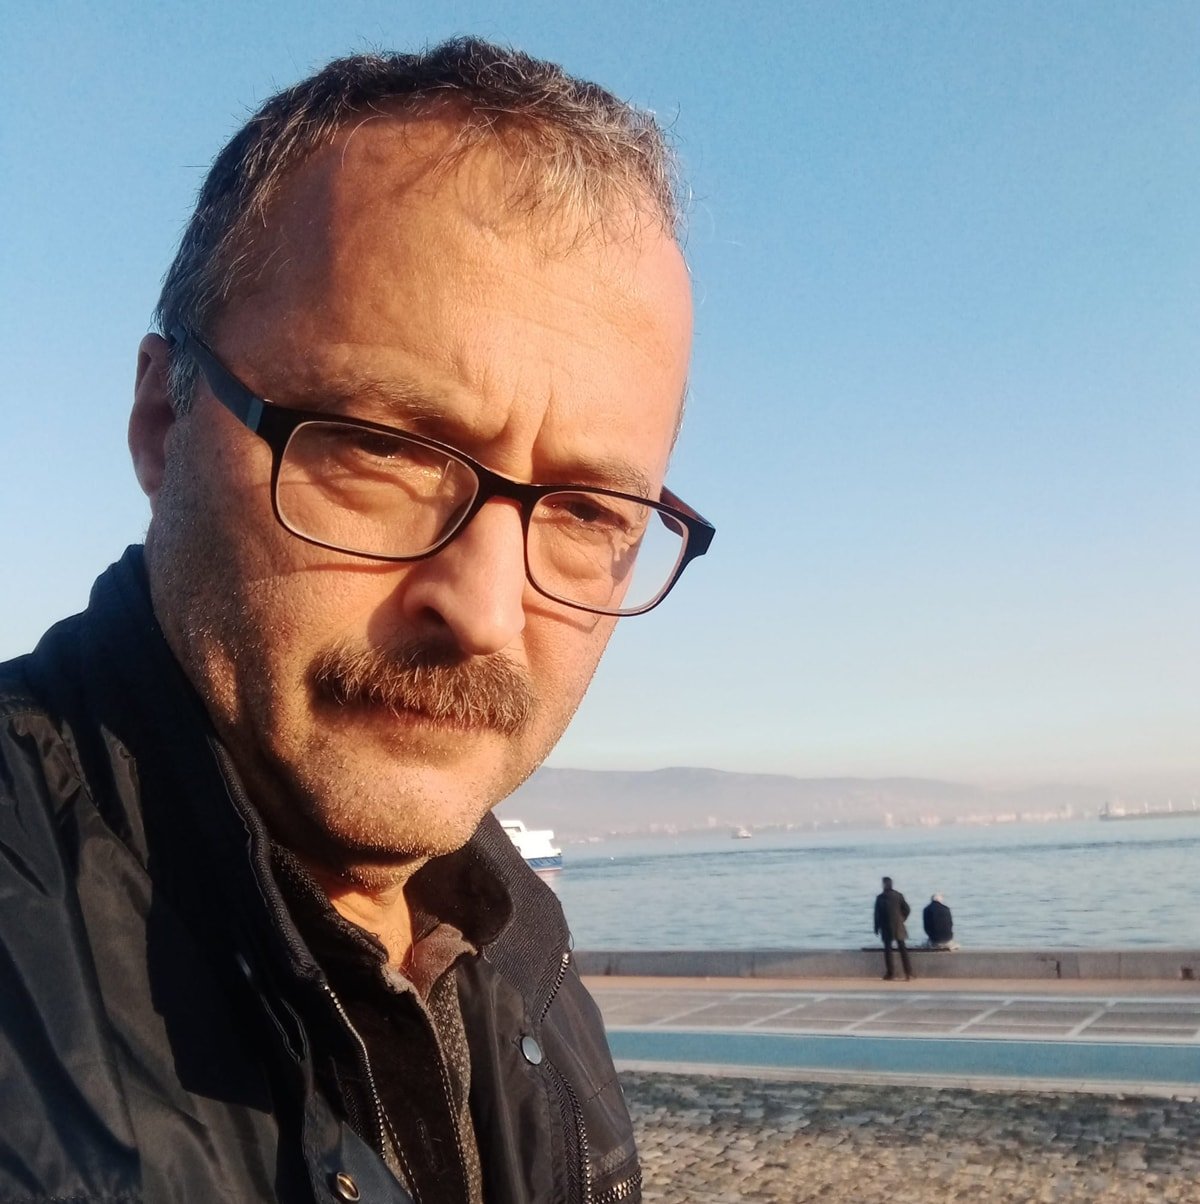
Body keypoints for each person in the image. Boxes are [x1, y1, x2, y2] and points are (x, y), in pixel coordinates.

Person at [0, 39, 714, 1204]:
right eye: (384, 450)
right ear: (164, 422)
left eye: (590, 510)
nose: (483, 609)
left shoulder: (521, 959)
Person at [874, 876, 915, 980]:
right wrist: (902, 918)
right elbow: (907, 909)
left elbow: (877, 914)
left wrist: (876, 927)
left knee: (888, 950)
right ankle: (908, 973)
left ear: (884, 885)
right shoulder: (898, 895)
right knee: (903, 949)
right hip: (898, 925)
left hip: (886, 926)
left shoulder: (880, 898)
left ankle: (890, 973)